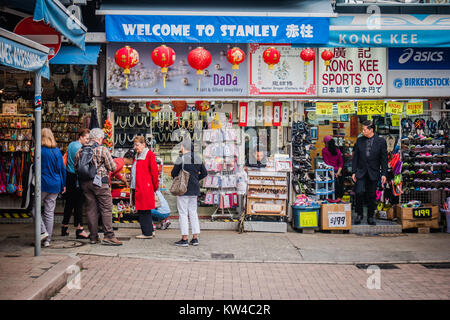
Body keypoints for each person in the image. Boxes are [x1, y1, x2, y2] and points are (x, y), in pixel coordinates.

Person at [75, 128, 122, 245]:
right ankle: (109, 236)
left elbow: (76, 168)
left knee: (91, 209)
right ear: (100, 138)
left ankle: (93, 237)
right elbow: (113, 167)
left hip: (85, 183)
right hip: (100, 182)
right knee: (106, 208)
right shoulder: (102, 149)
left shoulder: (80, 151)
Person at [32, 128, 66, 247]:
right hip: (55, 184)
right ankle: (47, 240)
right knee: (49, 212)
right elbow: (62, 169)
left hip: (43, 183)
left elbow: (36, 167)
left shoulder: (39, 150)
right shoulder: (57, 151)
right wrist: (64, 184)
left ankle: (43, 231)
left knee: (35, 210)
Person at [171, 139, 208, 247]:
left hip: (183, 188)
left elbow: (174, 173)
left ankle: (184, 238)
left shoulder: (181, 158)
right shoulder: (198, 158)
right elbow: (204, 173)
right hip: (195, 189)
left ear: (184, 147)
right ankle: (195, 238)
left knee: (183, 213)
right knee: (193, 212)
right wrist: (196, 179)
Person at [352, 120, 388, 225]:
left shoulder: (381, 141)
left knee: (371, 195)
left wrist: (384, 174)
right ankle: (359, 214)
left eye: (364, 129)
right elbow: (355, 158)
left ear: (371, 130)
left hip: (374, 172)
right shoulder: (359, 140)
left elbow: (384, 159)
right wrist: (353, 172)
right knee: (358, 192)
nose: (362, 131)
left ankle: (370, 216)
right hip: (361, 172)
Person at [61, 129, 90, 239]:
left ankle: (64, 227)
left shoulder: (71, 145)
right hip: (77, 178)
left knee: (69, 203)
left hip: (69, 176)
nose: (87, 141)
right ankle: (80, 229)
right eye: (86, 138)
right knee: (78, 204)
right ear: (81, 137)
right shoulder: (80, 148)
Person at [131, 136, 159, 239]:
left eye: (137, 145)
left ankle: (147, 233)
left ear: (143, 144)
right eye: (134, 145)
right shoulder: (139, 155)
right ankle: (150, 230)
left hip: (145, 187)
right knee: (144, 210)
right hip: (140, 186)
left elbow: (154, 172)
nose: (135, 147)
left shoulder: (148, 155)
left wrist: (154, 187)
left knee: (144, 210)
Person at [322, 135, 344, 200]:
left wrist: (332, 173)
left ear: (326, 143)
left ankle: (329, 203)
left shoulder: (324, 150)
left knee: (328, 190)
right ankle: (337, 201)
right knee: (337, 188)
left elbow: (326, 163)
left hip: (328, 172)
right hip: (337, 172)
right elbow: (341, 163)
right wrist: (337, 173)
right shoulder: (338, 151)